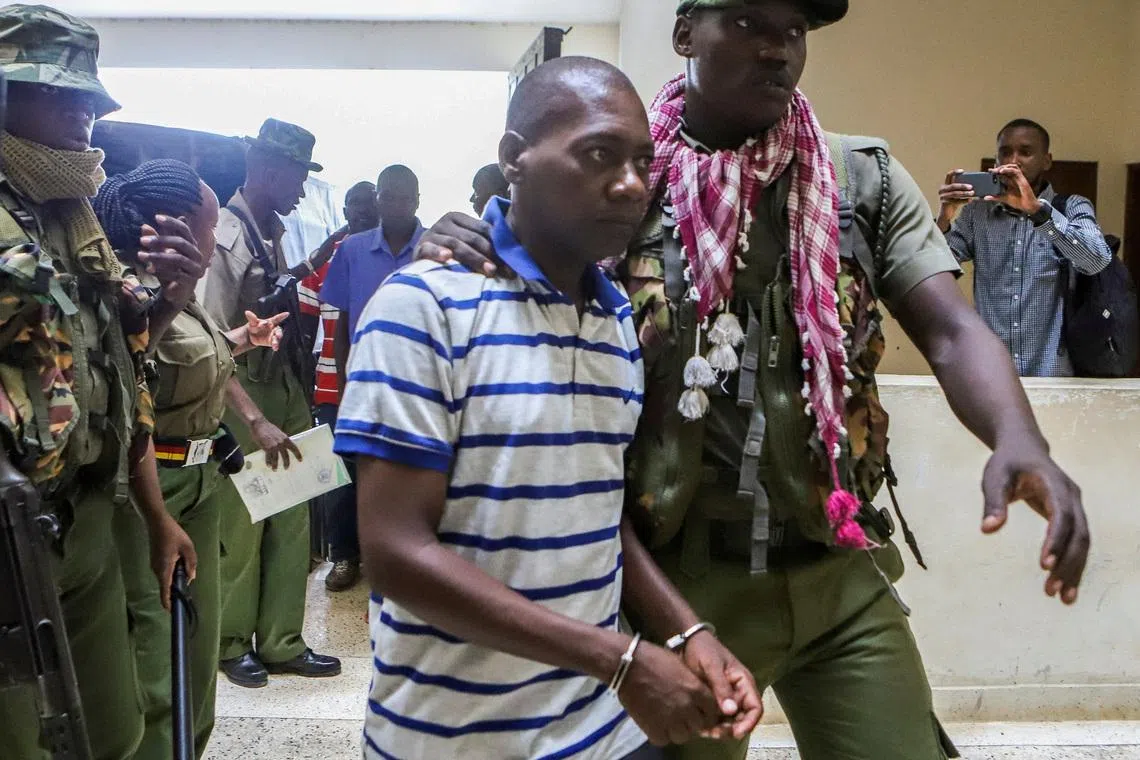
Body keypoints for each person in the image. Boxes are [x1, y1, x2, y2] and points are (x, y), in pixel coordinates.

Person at [416, 2, 1092, 759]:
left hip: (834, 567)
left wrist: (1020, 439)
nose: (776, 49)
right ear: (684, 37)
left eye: (793, 30)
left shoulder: (857, 179)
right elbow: (525, 248)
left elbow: (950, 326)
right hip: (675, 585)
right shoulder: (631, 182)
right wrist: (463, 235)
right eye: (744, 23)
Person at [335, 57, 762, 760]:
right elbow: (397, 555)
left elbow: (596, 514)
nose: (629, 184)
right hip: (453, 741)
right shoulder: (424, 307)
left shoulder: (616, 319)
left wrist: (689, 632)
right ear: (515, 159)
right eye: (597, 154)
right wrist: (619, 659)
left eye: (641, 161)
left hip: (605, 736)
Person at [0, 6, 205, 758]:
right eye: (59, 93)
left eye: (88, 98)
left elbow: (117, 371)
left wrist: (156, 520)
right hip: (10, 541)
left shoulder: (69, 211)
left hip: (84, 518)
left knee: (111, 737)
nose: (82, 113)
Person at [95, 159, 290, 760]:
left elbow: (187, 360)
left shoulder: (184, 294)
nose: (215, 240)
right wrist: (161, 306)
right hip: (156, 485)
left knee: (196, 651)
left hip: (199, 481)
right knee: (159, 656)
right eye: (208, 228)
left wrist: (239, 341)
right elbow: (126, 395)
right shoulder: (131, 296)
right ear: (178, 228)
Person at [202, 118, 341, 688]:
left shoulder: (272, 230)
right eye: (297, 177)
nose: (303, 191)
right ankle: (232, 643)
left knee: (293, 515)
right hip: (242, 390)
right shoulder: (226, 237)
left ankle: (283, 640)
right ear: (265, 170)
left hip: (282, 383)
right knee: (244, 519)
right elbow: (208, 343)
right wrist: (253, 420)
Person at [938, 118, 1112, 377]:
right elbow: (937, 266)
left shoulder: (1073, 207)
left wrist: (1039, 214)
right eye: (1005, 152)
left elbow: (1096, 260)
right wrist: (944, 217)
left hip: (1053, 372)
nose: (1013, 160)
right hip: (993, 373)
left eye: (1026, 152)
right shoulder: (977, 214)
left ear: (1047, 160)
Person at [298, 179, 378, 592]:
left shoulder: (396, 260)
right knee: (337, 478)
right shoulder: (330, 260)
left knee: (383, 476)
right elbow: (303, 316)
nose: (359, 213)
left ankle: (381, 557)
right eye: (352, 206)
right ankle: (344, 557)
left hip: (386, 391)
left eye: (368, 205)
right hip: (332, 387)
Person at [321, 164, 425, 398]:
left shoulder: (435, 249)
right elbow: (342, 329)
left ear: (417, 201)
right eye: (388, 197)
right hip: (365, 387)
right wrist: (344, 391)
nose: (397, 206)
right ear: (377, 199)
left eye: (405, 199)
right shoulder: (352, 250)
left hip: (421, 388)